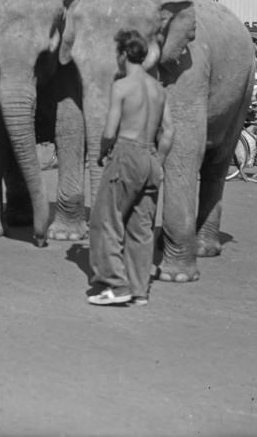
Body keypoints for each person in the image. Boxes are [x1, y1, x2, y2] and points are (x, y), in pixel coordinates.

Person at [87, 29, 174, 306]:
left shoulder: (121, 86)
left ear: (123, 54)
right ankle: (139, 290)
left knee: (106, 221)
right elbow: (169, 132)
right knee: (142, 228)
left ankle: (116, 283)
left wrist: (102, 154)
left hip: (127, 152)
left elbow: (111, 131)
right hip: (150, 156)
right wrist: (156, 162)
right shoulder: (159, 90)